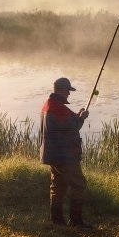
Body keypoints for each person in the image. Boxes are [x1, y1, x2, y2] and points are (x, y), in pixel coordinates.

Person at [40, 76, 91, 228]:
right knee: (78, 184)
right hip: (64, 156)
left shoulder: (49, 104)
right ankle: (76, 221)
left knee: (58, 186)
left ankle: (57, 221)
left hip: (53, 155)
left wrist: (77, 115)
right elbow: (72, 127)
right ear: (61, 90)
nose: (69, 94)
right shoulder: (58, 108)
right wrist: (81, 118)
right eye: (68, 90)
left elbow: (65, 122)